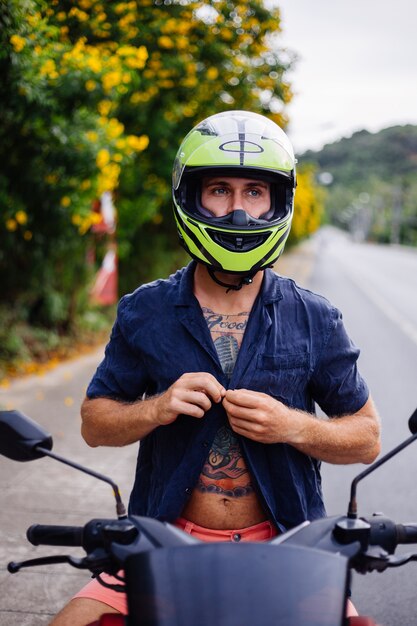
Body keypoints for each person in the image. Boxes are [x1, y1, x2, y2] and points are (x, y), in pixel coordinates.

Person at [50, 110, 380, 625]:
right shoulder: (145, 311)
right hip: (160, 544)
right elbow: (94, 424)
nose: (238, 212)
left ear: (278, 201)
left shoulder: (315, 317)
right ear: (190, 197)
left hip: (290, 546)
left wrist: (292, 425)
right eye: (219, 190)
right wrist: (156, 408)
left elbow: (367, 437)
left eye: (254, 192)